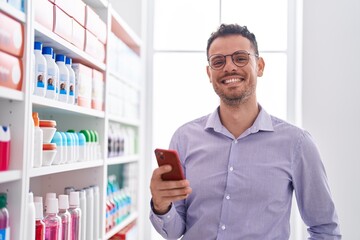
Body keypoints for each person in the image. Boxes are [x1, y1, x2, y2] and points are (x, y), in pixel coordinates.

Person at [149, 23, 341, 239]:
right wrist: (161, 205)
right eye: (218, 61)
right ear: (209, 73)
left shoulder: (297, 143)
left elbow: (325, 230)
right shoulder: (184, 139)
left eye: (240, 58)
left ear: (259, 66)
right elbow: (174, 232)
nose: (229, 67)